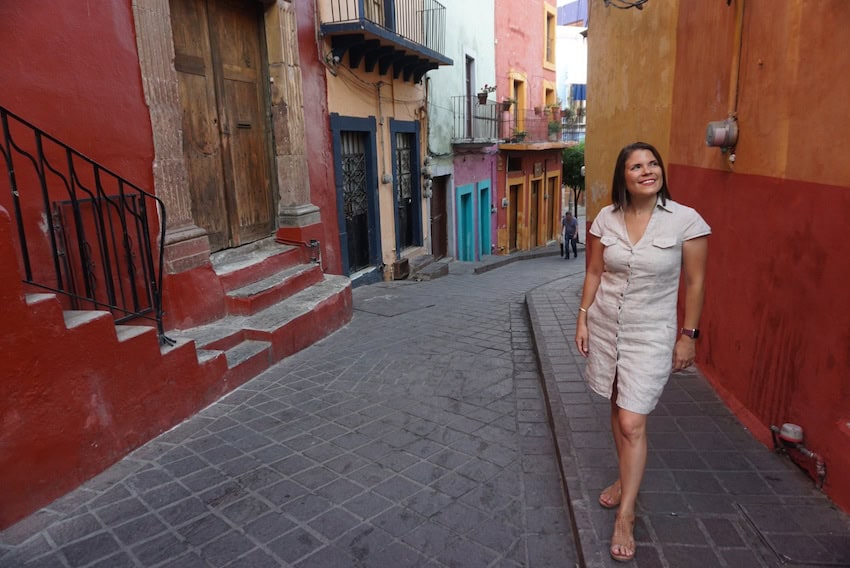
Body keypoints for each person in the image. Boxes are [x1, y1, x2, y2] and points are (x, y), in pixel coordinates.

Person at [574, 142, 710, 562]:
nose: (647, 171)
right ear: (624, 177)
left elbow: (696, 283)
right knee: (617, 404)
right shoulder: (605, 220)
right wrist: (582, 317)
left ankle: (626, 514)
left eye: (653, 164)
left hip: (651, 333)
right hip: (606, 326)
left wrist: (688, 335)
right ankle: (623, 478)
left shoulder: (686, 222)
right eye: (637, 166)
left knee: (633, 420)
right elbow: (595, 271)